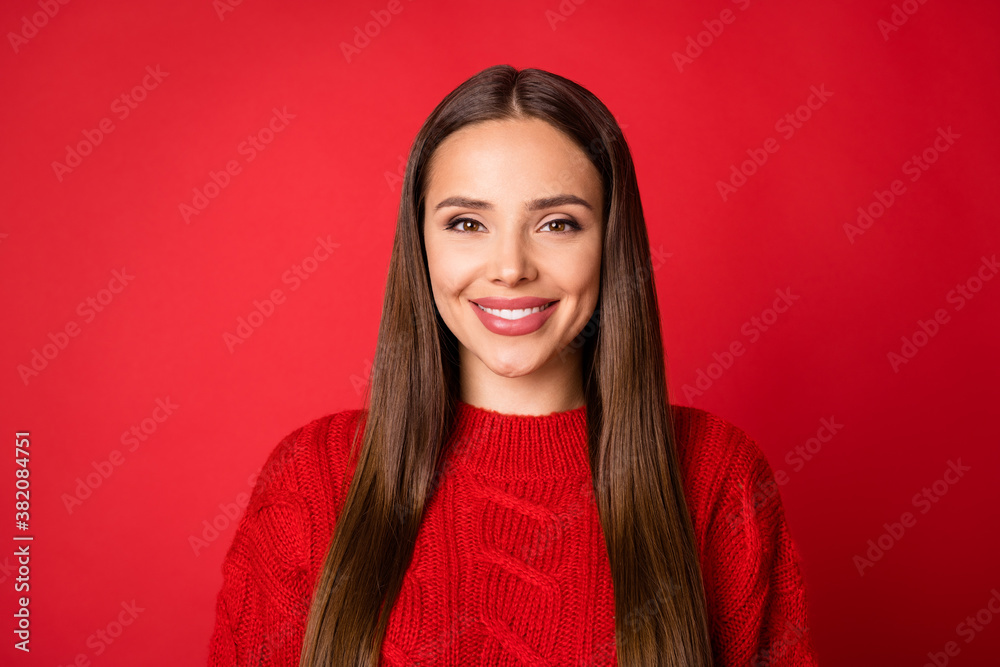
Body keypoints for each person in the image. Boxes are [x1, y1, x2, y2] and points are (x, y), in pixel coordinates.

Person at [208, 64, 820, 666]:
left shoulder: (716, 475)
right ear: (419, 246)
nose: (509, 266)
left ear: (610, 242)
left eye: (557, 223)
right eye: (467, 223)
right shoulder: (312, 478)